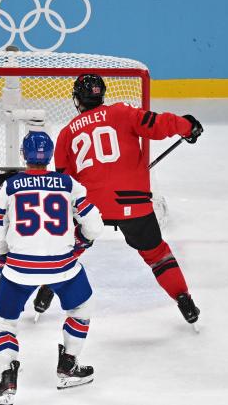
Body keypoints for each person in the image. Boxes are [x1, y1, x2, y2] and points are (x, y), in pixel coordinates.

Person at [48, 73, 204, 327]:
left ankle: (47, 288)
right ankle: (182, 297)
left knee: (66, 250)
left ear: (77, 100)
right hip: (133, 201)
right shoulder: (122, 112)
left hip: (91, 206)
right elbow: (158, 124)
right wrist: (186, 126)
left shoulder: (66, 134)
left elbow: (65, 183)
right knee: (157, 254)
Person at [0, 131, 103, 405]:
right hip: (63, 266)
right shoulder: (68, 183)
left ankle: (7, 378)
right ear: (49, 156)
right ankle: (68, 366)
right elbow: (94, 226)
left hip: (18, 270)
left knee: (3, 323)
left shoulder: (10, 185)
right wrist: (82, 240)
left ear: (24, 156)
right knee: (82, 308)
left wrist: (0, 256)